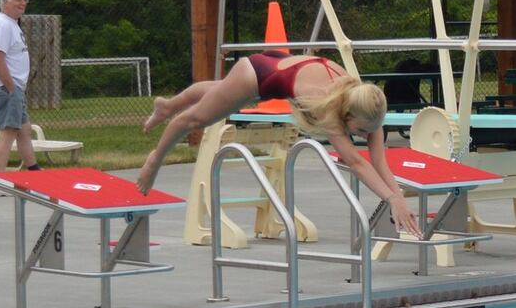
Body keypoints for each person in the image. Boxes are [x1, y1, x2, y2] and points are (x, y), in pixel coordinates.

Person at [138, 52, 419, 235]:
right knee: (196, 119)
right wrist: (391, 198)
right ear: (347, 115)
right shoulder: (329, 110)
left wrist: (398, 200)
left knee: (220, 92)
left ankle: (167, 105)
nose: (364, 136)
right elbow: (357, 162)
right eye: (360, 131)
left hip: (277, 65)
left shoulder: (368, 107)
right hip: (257, 75)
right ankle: (156, 158)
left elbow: (379, 160)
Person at [0, 0, 40, 197]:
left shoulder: (12, 24)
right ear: (5, 2)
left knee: (23, 130)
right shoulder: (3, 25)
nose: (22, 3)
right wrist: (10, 87)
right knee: (8, 132)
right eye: (18, 0)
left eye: (25, 0)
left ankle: (35, 172)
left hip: (14, 88)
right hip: (7, 88)